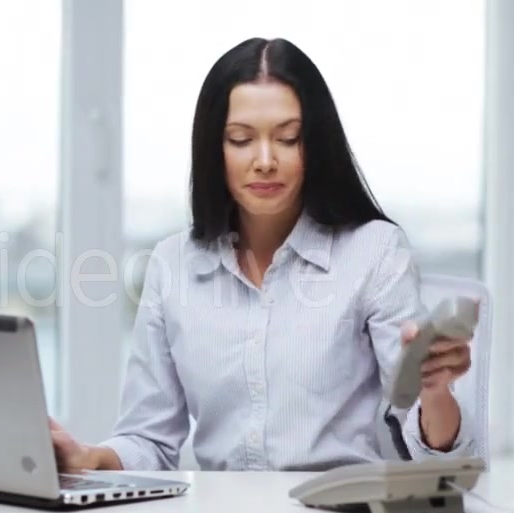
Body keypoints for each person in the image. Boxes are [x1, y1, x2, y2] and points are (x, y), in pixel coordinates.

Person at [50, 37, 477, 472]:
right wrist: (88, 458)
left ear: (315, 145)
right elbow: (149, 441)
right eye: (241, 139)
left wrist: (435, 392)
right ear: (214, 150)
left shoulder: (375, 252)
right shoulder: (171, 265)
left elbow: (432, 451)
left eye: (288, 139)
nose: (265, 160)